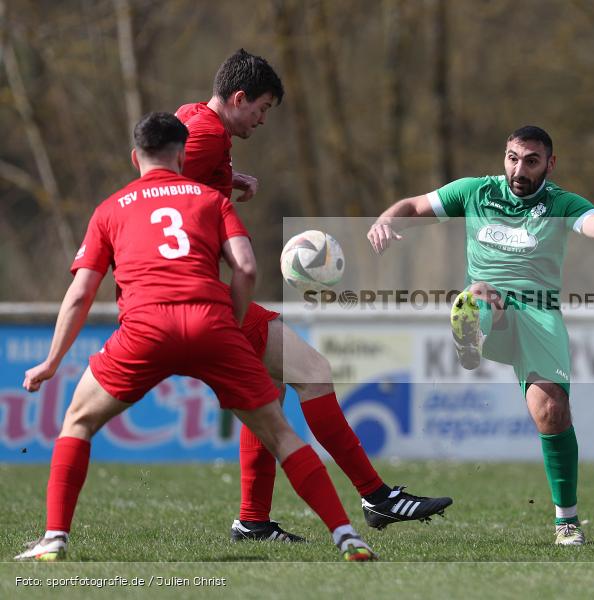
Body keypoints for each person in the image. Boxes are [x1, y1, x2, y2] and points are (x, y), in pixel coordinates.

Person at [14, 113, 375, 562]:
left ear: (135, 157)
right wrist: (234, 322)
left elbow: (80, 293)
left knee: (78, 422)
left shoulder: (111, 208)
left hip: (145, 328)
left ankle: (54, 540)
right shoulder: (209, 199)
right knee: (281, 435)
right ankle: (347, 536)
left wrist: (51, 362)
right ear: (182, 155)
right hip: (211, 322)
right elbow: (245, 267)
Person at [175, 49, 452, 542]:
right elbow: (167, 192)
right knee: (314, 372)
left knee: (270, 386)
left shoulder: (192, 117)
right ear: (238, 98)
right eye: (260, 109)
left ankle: (253, 520)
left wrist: (224, 179)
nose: (262, 120)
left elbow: (164, 175)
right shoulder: (207, 134)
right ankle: (376, 496)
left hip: (178, 291)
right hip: (191, 293)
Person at [367, 125, 594, 545]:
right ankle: (470, 339)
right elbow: (415, 206)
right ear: (503, 156)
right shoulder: (475, 192)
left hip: (538, 315)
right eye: (512, 158)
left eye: (531, 161)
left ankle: (566, 521)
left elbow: (592, 221)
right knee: (479, 293)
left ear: (550, 164)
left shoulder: (560, 202)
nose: (519, 169)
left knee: (551, 411)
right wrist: (385, 220)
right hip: (492, 310)